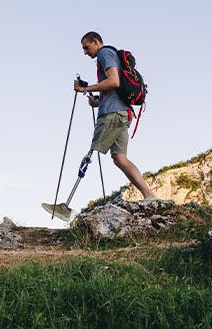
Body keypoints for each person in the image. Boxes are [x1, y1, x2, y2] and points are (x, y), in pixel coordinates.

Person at [45, 32, 156, 221]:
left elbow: (114, 81)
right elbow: (114, 88)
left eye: (86, 47)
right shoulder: (111, 56)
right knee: (120, 159)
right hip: (122, 113)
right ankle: (149, 196)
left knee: (92, 151)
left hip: (112, 115)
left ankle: (65, 207)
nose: (85, 52)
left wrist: (85, 89)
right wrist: (96, 101)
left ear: (96, 42)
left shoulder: (105, 54)